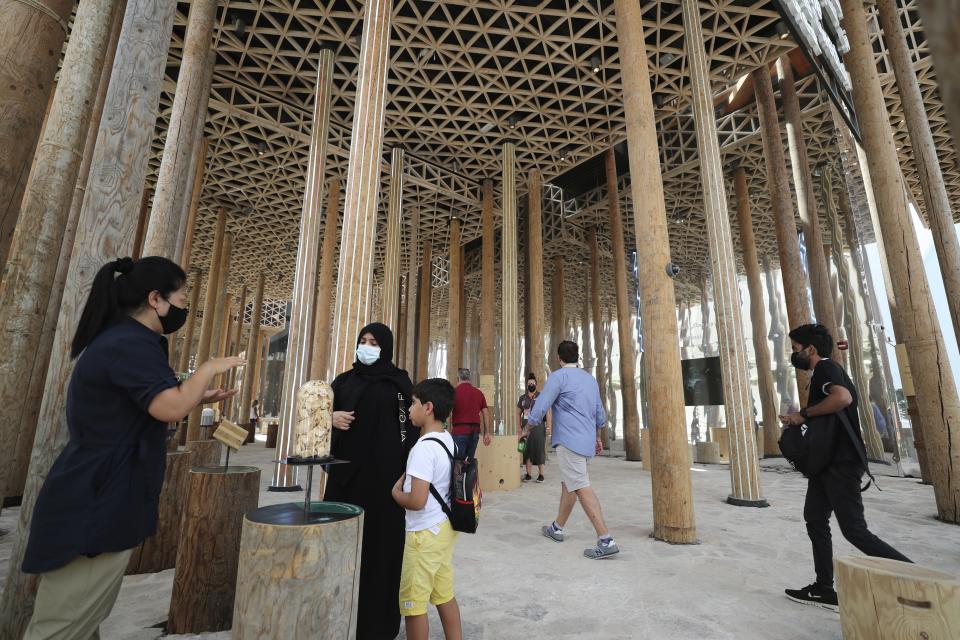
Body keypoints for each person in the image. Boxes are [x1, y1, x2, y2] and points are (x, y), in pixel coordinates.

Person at [22, 257, 245, 639]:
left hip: (99, 494)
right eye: (182, 296)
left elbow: (155, 405)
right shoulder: (129, 345)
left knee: (81, 619)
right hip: (97, 502)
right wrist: (207, 367)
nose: (185, 306)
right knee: (62, 626)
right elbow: (169, 406)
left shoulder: (125, 341)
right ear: (156, 299)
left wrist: (195, 395)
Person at [780, 323, 911, 611]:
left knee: (854, 530)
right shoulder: (822, 374)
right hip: (826, 464)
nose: (794, 354)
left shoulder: (827, 369)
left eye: (795, 348)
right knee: (814, 518)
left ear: (809, 349)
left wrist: (803, 414)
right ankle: (824, 589)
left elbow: (842, 398)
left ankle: (917, 579)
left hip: (840, 463)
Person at [324, 322, 416, 640]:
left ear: (386, 347)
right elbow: (314, 417)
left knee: (381, 553)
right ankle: (336, 618)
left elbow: (415, 429)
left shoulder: (399, 383)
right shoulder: (343, 382)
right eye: (363, 340)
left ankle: (377, 626)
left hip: (384, 487)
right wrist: (330, 418)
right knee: (341, 549)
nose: (367, 346)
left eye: (374, 342)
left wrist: (410, 476)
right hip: (344, 482)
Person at [529, 340, 619, 559]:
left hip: (569, 441)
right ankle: (557, 527)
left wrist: (527, 427)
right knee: (570, 483)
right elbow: (599, 412)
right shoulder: (589, 379)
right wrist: (598, 437)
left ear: (558, 359)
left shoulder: (558, 377)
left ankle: (605, 539)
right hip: (587, 440)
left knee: (580, 485)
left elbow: (541, 406)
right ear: (577, 357)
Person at [391, 378, 462, 640]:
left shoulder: (422, 449)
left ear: (428, 407)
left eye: (413, 403)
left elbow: (417, 500)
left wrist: (396, 494)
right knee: (444, 595)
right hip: (444, 529)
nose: (409, 409)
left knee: (413, 605)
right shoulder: (448, 440)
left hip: (423, 534)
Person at [450, 368, 491, 461]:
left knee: (458, 463)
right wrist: (487, 433)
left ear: (458, 378)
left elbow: (448, 412)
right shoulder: (479, 393)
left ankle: (459, 475)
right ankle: (469, 475)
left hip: (459, 431)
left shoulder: (454, 392)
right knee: (469, 462)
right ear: (469, 378)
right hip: (474, 433)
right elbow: (485, 413)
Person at [517, 372, 548, 482]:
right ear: (527, 385)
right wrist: (519, 427)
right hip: (526, 427)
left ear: (536, 384)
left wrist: (548, 427)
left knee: (539, 449)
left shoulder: (541, 396)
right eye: (529, 383)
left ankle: (541, 475)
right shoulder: (522, 398)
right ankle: (528, 474)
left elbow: (548, 412)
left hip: (538, 426)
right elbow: (518, 413)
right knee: (527, 449)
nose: (531, 385)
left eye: (533, 383)